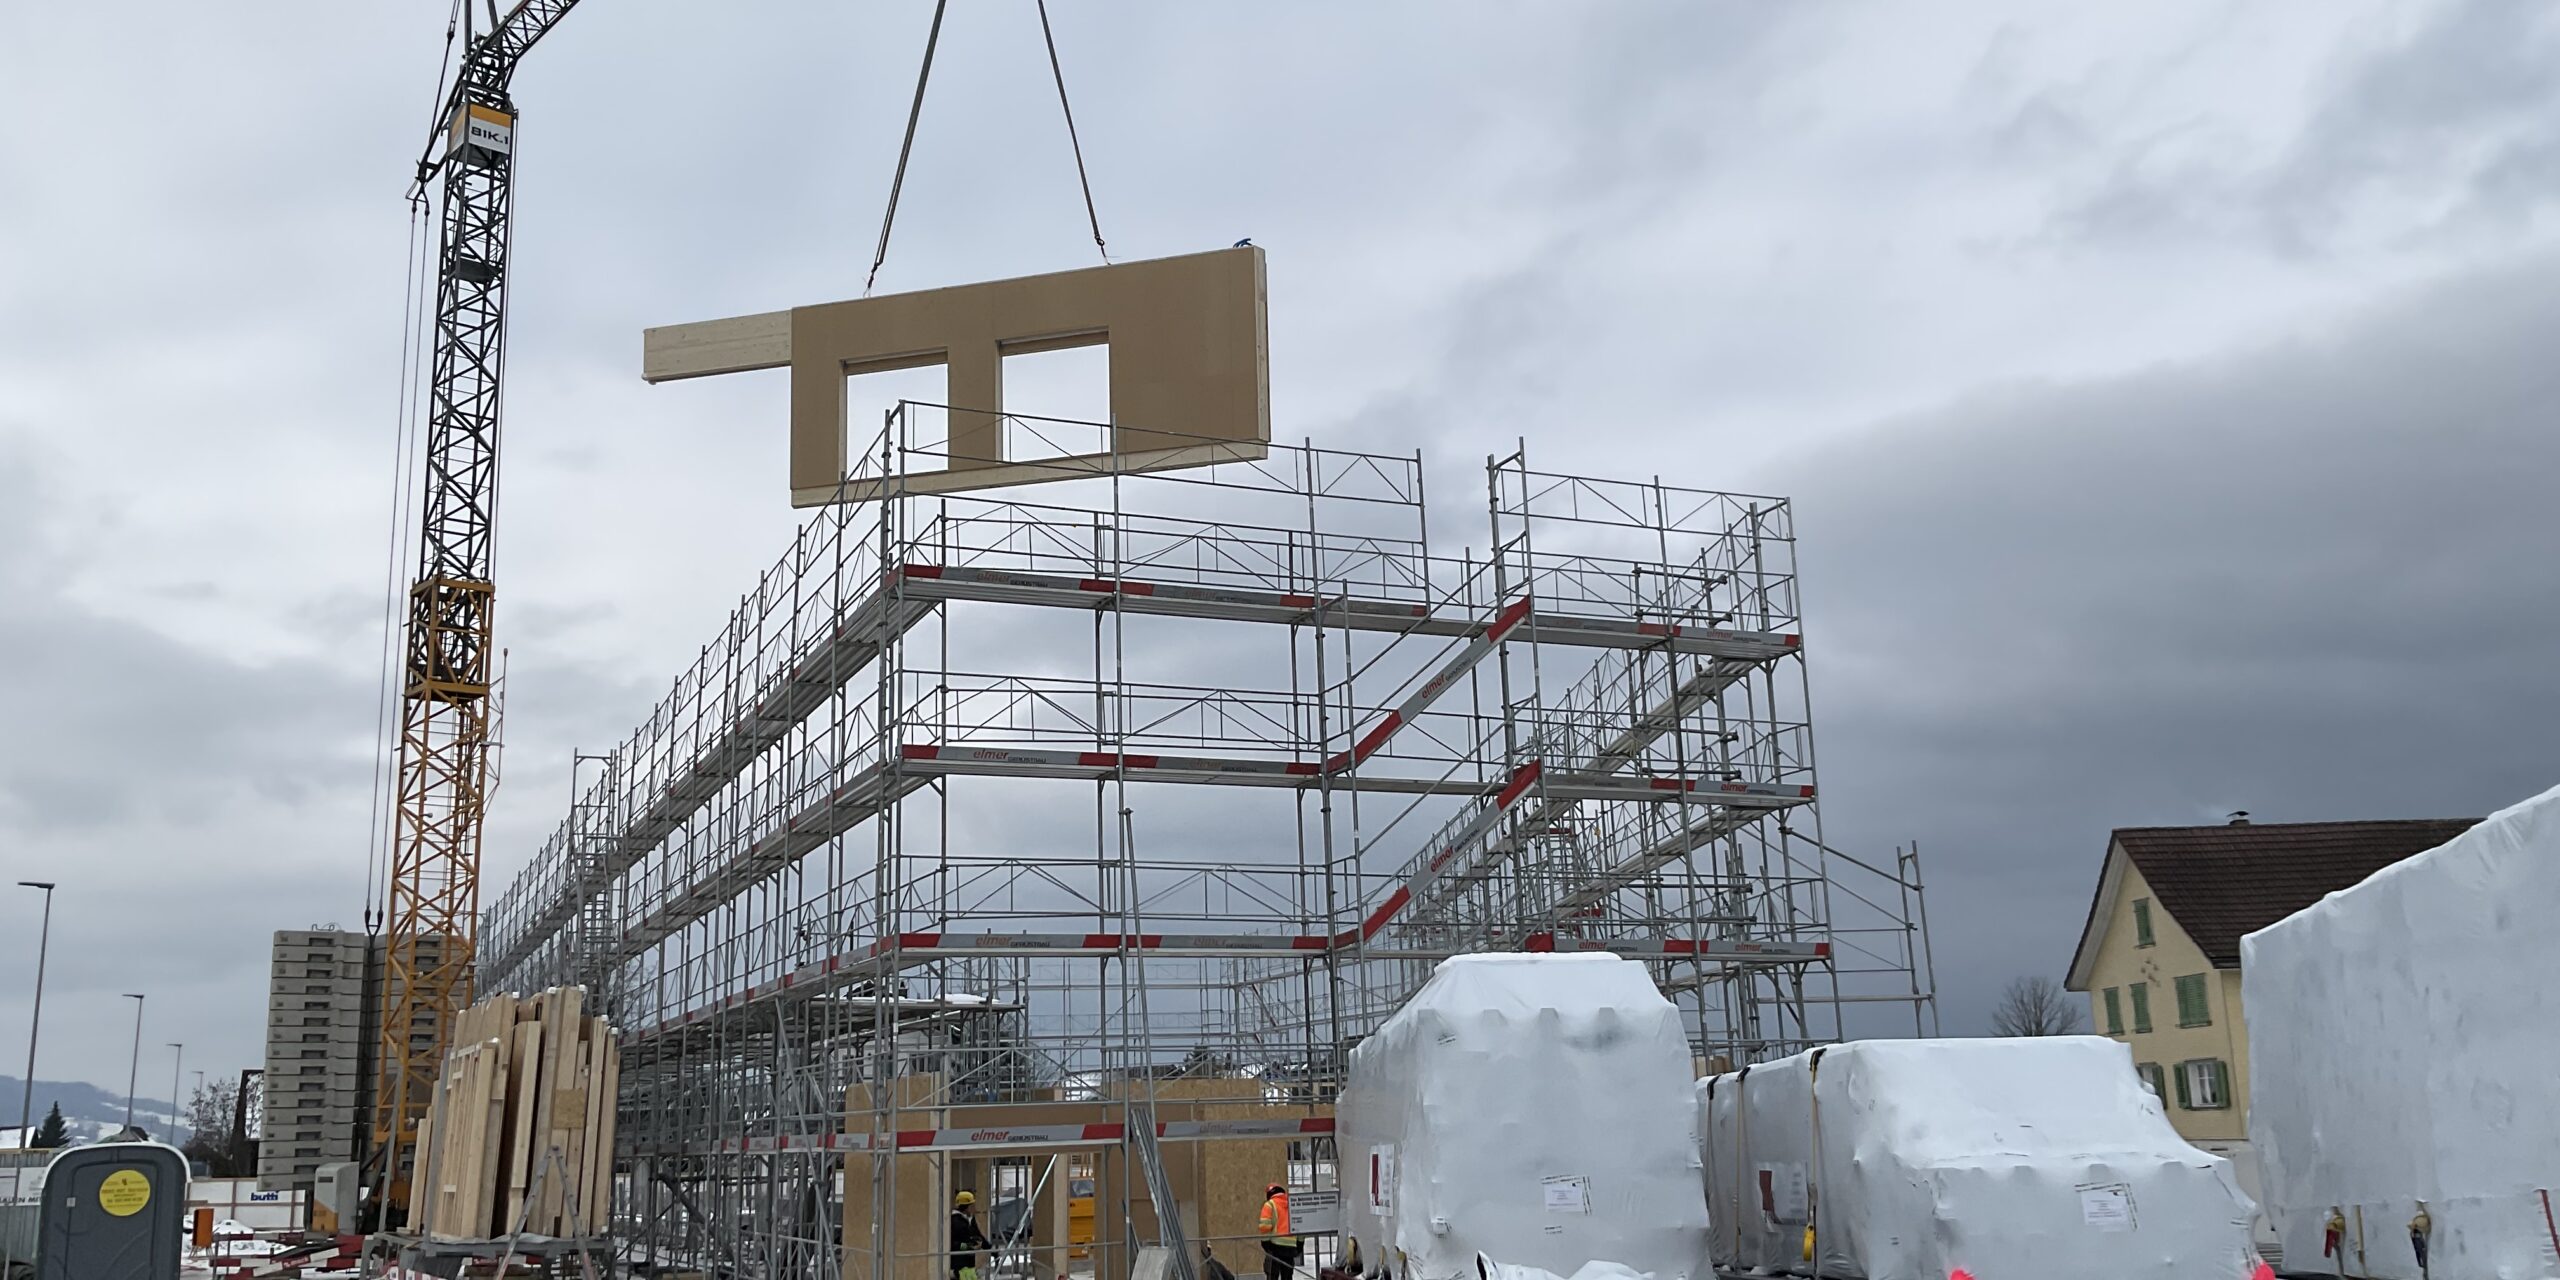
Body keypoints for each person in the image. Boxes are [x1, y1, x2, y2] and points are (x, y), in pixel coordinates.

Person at [1257, 1182, 1300, 1280]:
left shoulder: (1270, 1204)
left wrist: (1265, 1244)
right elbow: (1300, 1226)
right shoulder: (1292, 1204)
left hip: (1275, 1247)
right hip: (1291, 1248)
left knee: (1272, 1275)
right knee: (1287, 1276)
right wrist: (1300, 1244)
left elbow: (1265, 1226)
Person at [951, 1190, 990, 1280]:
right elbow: (953, 1244)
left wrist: (989, 1248)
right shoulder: (956, 1222)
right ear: (966, 1207)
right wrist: (969, 1247)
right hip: (960, 1265)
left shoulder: (970, 1220)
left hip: (969, 1264)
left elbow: (978, 1235)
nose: (974, 1207)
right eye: (972, 1205)